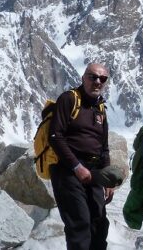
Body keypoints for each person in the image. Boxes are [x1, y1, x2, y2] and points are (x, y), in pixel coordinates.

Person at [49, 63, 115, 250]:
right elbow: (55, 136)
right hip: (68, 170)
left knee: (99, 224)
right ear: (83, 78)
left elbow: (103, 147)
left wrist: (108, 178)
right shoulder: (69, 99)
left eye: (102, 79)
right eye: (92, 77)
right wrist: (77, 167)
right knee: (80, 224)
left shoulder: (100, 108)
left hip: (93, 172)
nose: (97, 82)